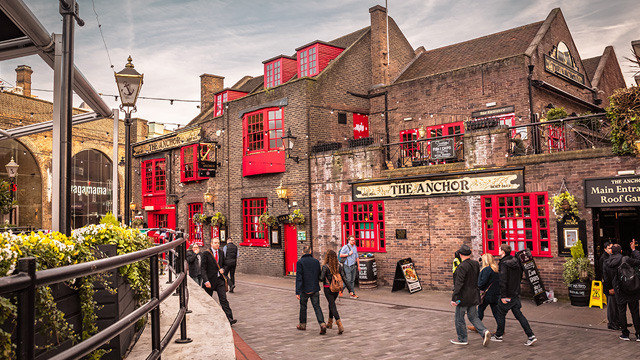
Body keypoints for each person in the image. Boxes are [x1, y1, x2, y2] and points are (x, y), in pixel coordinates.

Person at [491, 244, 537, 346]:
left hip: (507, 295)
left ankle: (498, 335)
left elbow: (503, 281)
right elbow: (519, 276)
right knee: (519, 315)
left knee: (501, 313)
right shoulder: (516, 261)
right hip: (515, 293)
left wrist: (503, 296)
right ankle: (530, 335)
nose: (498, 250)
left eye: (499, 249)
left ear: (503, 251)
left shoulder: (504, 264)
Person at [450, 245, 491, 346]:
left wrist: (454, 298)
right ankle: (484, 331)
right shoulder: (475, 264)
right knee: (473, 317)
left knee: (459, 318)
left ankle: (462, 339)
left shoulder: (462, 267)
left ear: (460, 255)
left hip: (463, 297)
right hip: (473, 294)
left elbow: (458, 284)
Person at [605, 241, 640, 341]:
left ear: (611, 251)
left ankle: (625, 334)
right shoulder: (626, 259)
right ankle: (638, 334)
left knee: (621, 312)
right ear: (621, 251)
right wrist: (633, 250)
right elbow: (638, 260)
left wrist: (609, 289)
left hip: (618, 291)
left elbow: (606, 278)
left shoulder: (607, 262)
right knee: (635, 312)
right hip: (631, 289)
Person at [201, 238, 237, 325]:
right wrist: (206, 281)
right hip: (209, 280)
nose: (217, 244)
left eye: (218, 243)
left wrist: (223, 269)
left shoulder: (221, 253)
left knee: (223, 299)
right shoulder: (206, 254)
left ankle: (229, 318)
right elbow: (202, 268)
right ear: (211, 244)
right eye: (215, 243)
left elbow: (225, 264)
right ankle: (206, 317)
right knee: (207, 300)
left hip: (219, 280)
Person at [320, 249, 354, 334]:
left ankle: (340, 325)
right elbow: (344, 278)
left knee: (332, 305)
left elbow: (321, 279)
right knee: (331, 304)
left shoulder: (325, 267)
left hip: (328, 288)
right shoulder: (339, 266)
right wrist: (350, 290)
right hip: (336, 289)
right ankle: (330, 322)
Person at [296, 246, 326, 334]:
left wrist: (297, 291)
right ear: (310, 252)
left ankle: (302, 324)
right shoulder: (316, 262)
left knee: (303, 307)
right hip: (314, 288)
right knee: (317, 307)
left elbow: (299, 278)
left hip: (304, 289)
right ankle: (322, 324)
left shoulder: (300, 262)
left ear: (302, 252)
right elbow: (319, 275)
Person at [469, 253, 500, 332]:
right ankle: (500, 329)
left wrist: (477, 286)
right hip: (495, 294)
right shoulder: (495, 269)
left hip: (487, 294)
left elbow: (482, 283)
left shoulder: (486, 270)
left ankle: (477, 326)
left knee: (480, 309)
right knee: (496, 312)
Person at [600, 242, 620, 330]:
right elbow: (605, 275)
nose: (611, 250)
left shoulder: (612, 257)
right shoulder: (604, 259)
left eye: (612, 248)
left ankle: (619, 322)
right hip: (609, 286)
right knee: (611, 306)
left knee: (617, 305)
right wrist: (609, 288)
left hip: (614, 285)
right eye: (609, 248)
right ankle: (612, 323)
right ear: (605, 249)